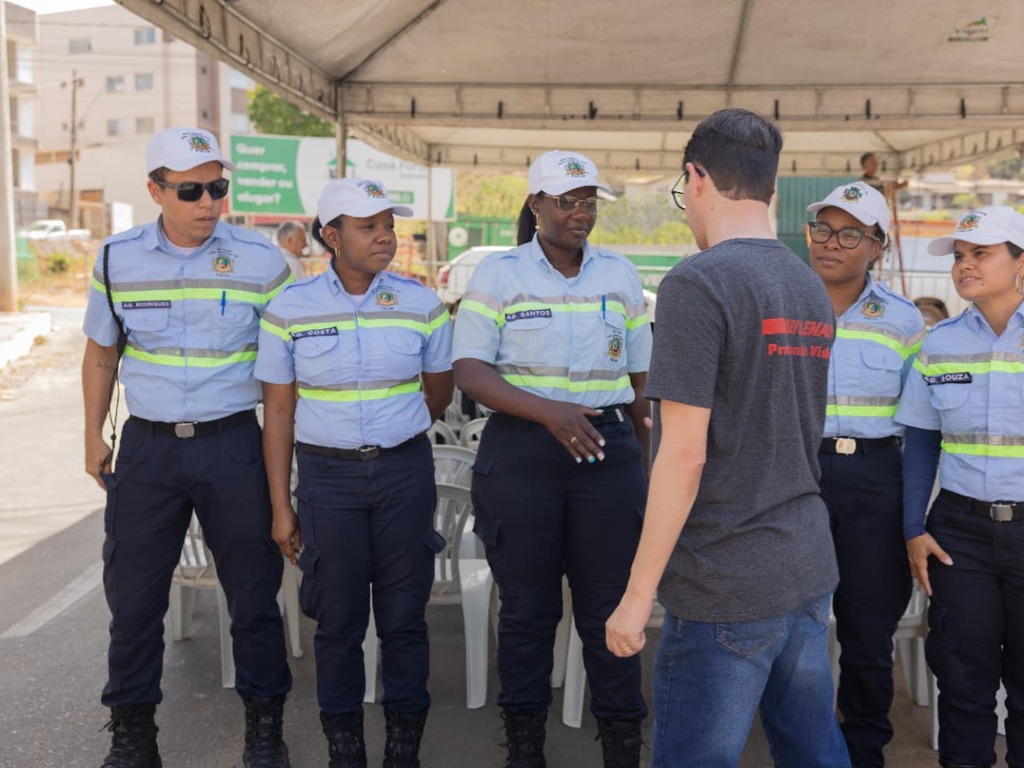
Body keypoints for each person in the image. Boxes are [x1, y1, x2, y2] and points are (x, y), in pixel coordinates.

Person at [606, 108, 851, 768]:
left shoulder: (697, 282)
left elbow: (683, 455)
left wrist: (635, 599)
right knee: (812, 751)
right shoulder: (807, 284)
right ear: (770, 189)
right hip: (803, 561)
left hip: (726, 579)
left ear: (697, 178)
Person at [81, 127, 294, 768]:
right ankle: (132, 736)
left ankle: (264, 730)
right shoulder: (116, 259)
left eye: (218, 188)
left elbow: (290, 368)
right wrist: (91, 434)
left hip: (233, 447)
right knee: (135, 601)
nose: (208, 202)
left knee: (254, 598)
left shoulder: (263, 262)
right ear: (156, 190)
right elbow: (101, 354)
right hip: (146, 453)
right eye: (192, 189)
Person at [453, 150, 652, 768]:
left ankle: (621, 744)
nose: (581, 213)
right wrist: (549, 413)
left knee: (609, 610)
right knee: (529, 612)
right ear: (535, 205)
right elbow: (469, 370)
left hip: (606, 454)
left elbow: (642, 380)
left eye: (589, 200)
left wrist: (643, 463)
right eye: (567, 201)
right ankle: (524, 748)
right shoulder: (500, 276)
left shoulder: (619, 275)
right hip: (522, 456)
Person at [256, 178, 453, 768]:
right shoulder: (288, 309)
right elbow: (279, 413)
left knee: (404, 620)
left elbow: (437, 394)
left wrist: (389, 433)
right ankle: (345, 748)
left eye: (389, 225)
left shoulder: (421, 303)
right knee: (338, 621)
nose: (386, 237)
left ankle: (403, 747)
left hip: (403, 475)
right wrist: (281, 507)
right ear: (330, 236)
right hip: (327, 482)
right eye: (369, 227)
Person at [896, 206, 1024, 768]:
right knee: (963, 681)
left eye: (982, 253)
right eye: (960, 256)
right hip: (960, 536)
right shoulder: (940, 342)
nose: (965, 265)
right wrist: (914, 529)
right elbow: (922, 443)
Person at [806, 181, 925, 767]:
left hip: (877, 479)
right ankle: (800, 746)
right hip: (796, 475)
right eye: (823, 229)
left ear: (878, 245)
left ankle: (863, 752)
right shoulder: (783, 307)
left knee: (867, 630)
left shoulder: (903, 323)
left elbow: (922, 424)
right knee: (788, 625)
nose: (832, 243)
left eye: (850, 234)